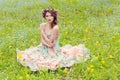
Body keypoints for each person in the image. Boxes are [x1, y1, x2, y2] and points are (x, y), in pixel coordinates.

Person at [16, 8, 90, 71]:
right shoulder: (42, 25)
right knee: (30, 56)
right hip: (43, 46)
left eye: (51, 16)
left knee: (50, 60)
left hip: (53, 49)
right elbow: (42, 40)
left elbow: (51, 42)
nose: (49, 18)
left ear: (54, 17)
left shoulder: (55, 28)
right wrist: (45, 41)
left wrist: (42, 32)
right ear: (44, 17)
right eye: (47, 16)